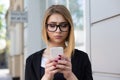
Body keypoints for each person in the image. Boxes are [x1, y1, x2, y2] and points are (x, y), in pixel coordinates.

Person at [25, 5, 93, 80]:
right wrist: (47, 77)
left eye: (63, 25)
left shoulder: (82, 58)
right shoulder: (32, 61)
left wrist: (70, 76)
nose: (58, 31)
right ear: (46, 28)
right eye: (52, 25)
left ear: (69, 28)